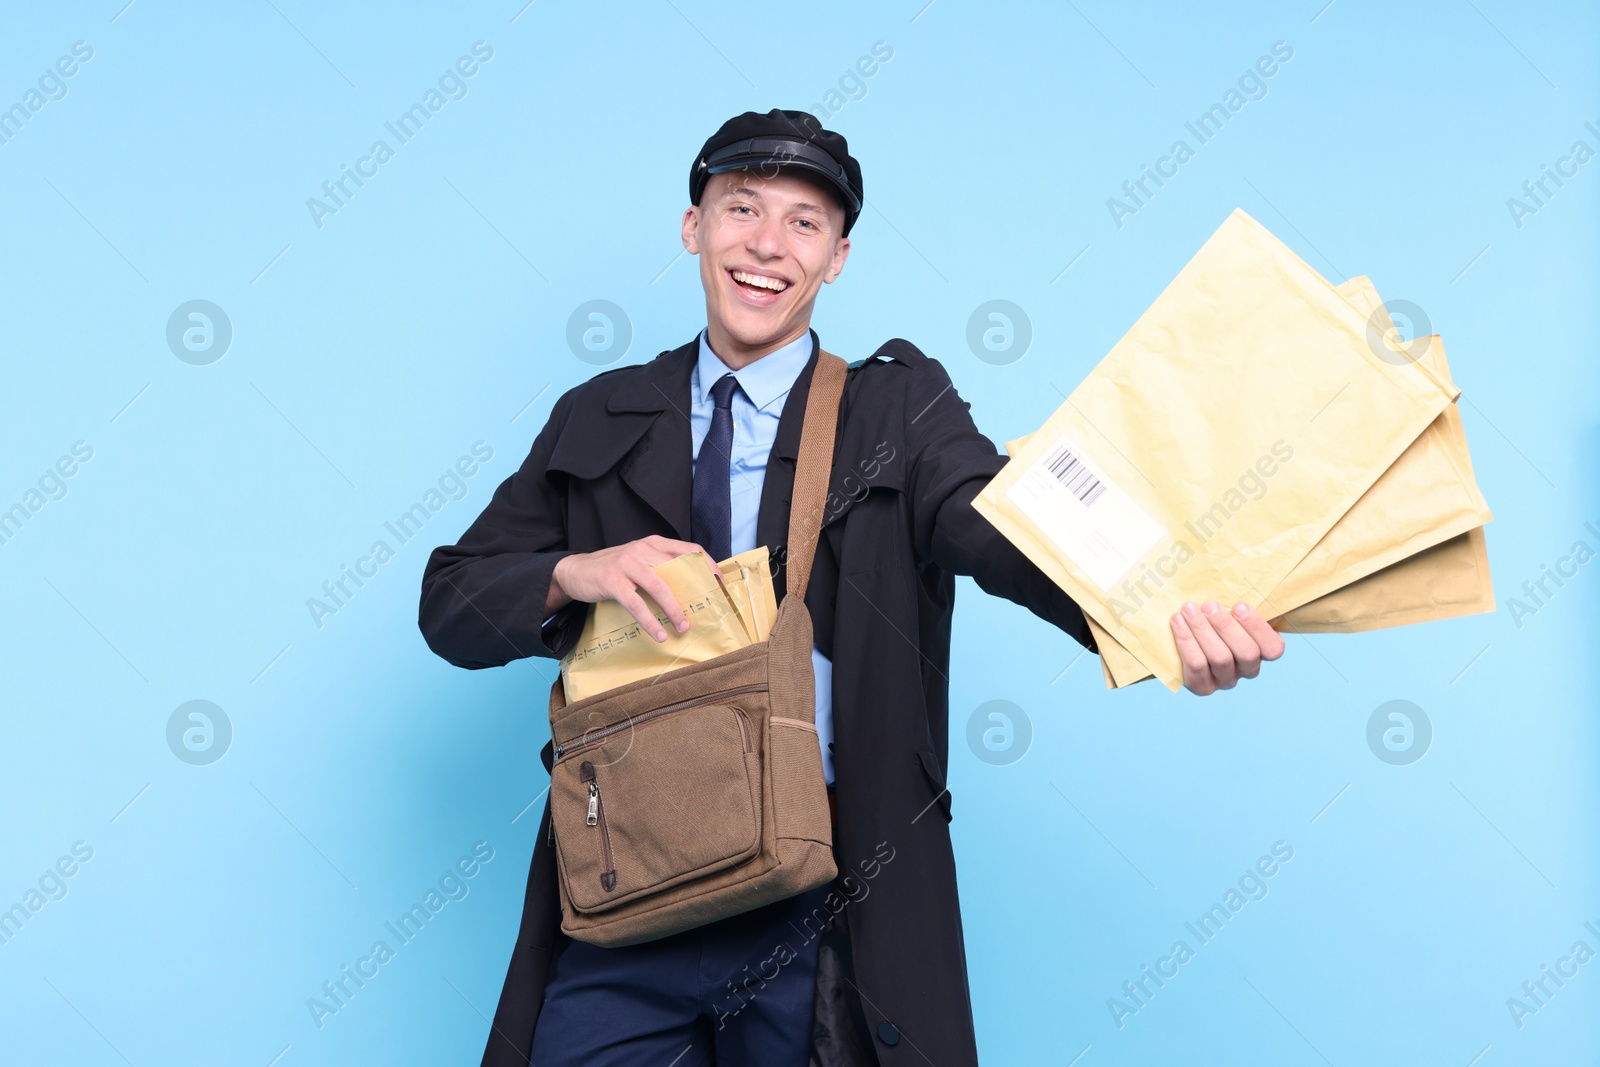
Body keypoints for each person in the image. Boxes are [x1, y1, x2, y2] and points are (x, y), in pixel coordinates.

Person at [417, 108, 1285, 1067]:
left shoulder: (897, 407)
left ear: (836, 258)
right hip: (631, 881)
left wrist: (1157, 620)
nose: (766, 245)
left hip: (823, 891)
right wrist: (575, 571)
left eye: (804, 223)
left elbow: (1000, 526)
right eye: (740, 208)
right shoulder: (600, 412)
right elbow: (452, 601)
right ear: (692, 225)